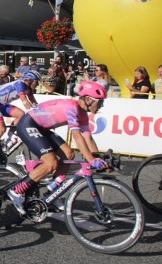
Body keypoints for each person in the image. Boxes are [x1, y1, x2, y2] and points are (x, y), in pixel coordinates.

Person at [7, 81, 109, 215]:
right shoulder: (71, 107)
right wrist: (90, 160)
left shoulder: (83, 114)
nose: (102, 105)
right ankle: (16, 191)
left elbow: (87, 138)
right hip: (28, 124)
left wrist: (98, 158)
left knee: (69, 155)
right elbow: (77, 137)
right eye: (100, 101)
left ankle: (52, 193)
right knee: (51, 163)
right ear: (89, 99)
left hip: (42, 128)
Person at [0, 71, 40, 163]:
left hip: (2, 104)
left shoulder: (29, 89)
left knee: (21, 115)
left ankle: (6, 141)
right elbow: (24, 101)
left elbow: (33, 102)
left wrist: (40, 112)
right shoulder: (20, 84)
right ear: (30, 80)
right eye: (36, 81)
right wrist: (32, 113)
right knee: (1, 129)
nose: (37, 84)